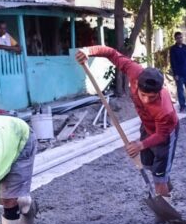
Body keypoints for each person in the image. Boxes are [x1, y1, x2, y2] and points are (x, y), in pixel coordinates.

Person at [76, 45, 178, 198]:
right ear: (137, 84)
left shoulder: (165, 110)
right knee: (148, 163)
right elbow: (111, 53)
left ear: (159, 91)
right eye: (143, 95)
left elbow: (161, 135)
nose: (146, 100)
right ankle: (165, 180)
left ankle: (166, 201)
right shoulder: (134, 71)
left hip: (165, 135)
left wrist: (139, 145)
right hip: (147, 127)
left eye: (152, 97)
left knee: (159, 174)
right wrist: (88, 51)